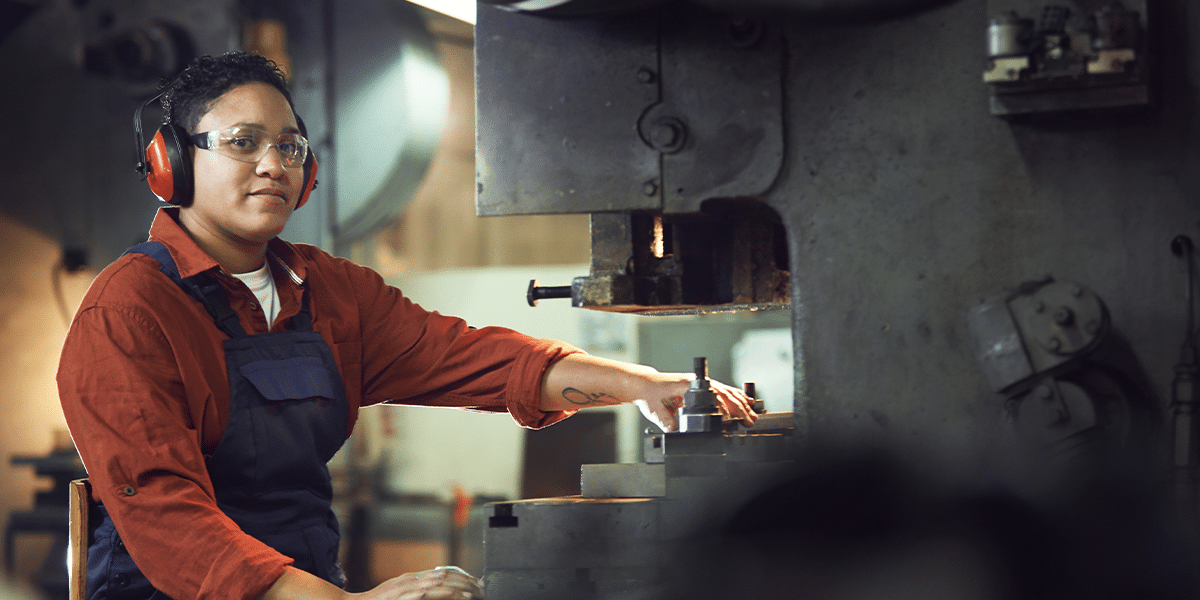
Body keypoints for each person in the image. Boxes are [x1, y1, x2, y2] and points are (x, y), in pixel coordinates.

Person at [56, 51, 757, 600]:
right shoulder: (129, 312)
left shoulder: (329, 290)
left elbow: (469, 357)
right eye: (243, 142)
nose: (273, 164)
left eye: (290, 147)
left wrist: (640, 385)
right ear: (170, 162)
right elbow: (169, 520)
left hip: (311, 579)